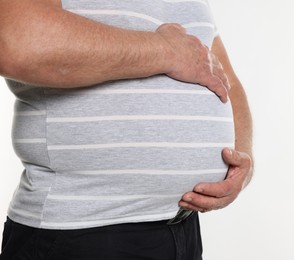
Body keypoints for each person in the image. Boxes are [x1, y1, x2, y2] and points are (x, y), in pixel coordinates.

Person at [0, 0, 253, 259]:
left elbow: (223, 75)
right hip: (81, 231)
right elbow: (20, 41)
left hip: (182, 229)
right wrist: (167, 51)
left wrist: (242, 159)